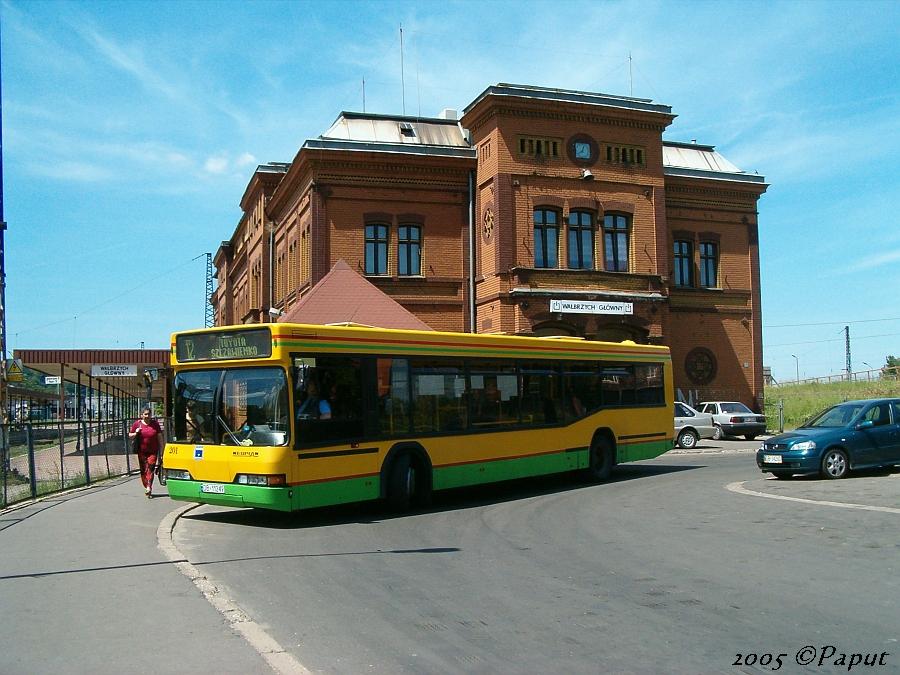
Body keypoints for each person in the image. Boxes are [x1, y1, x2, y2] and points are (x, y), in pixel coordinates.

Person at [129, 407, 162, 498]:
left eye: (149, 414)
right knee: (143, 470)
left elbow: (160, 437)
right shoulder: (137, 424)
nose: (147, 416)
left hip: (153, 451)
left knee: (151, 468)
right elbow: (130, 435)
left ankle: (149, 487)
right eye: (145, 414)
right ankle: (146, 485)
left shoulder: (155, 424)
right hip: (142, 451)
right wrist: (136, 432)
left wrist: (162, 449)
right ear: (141, 415)